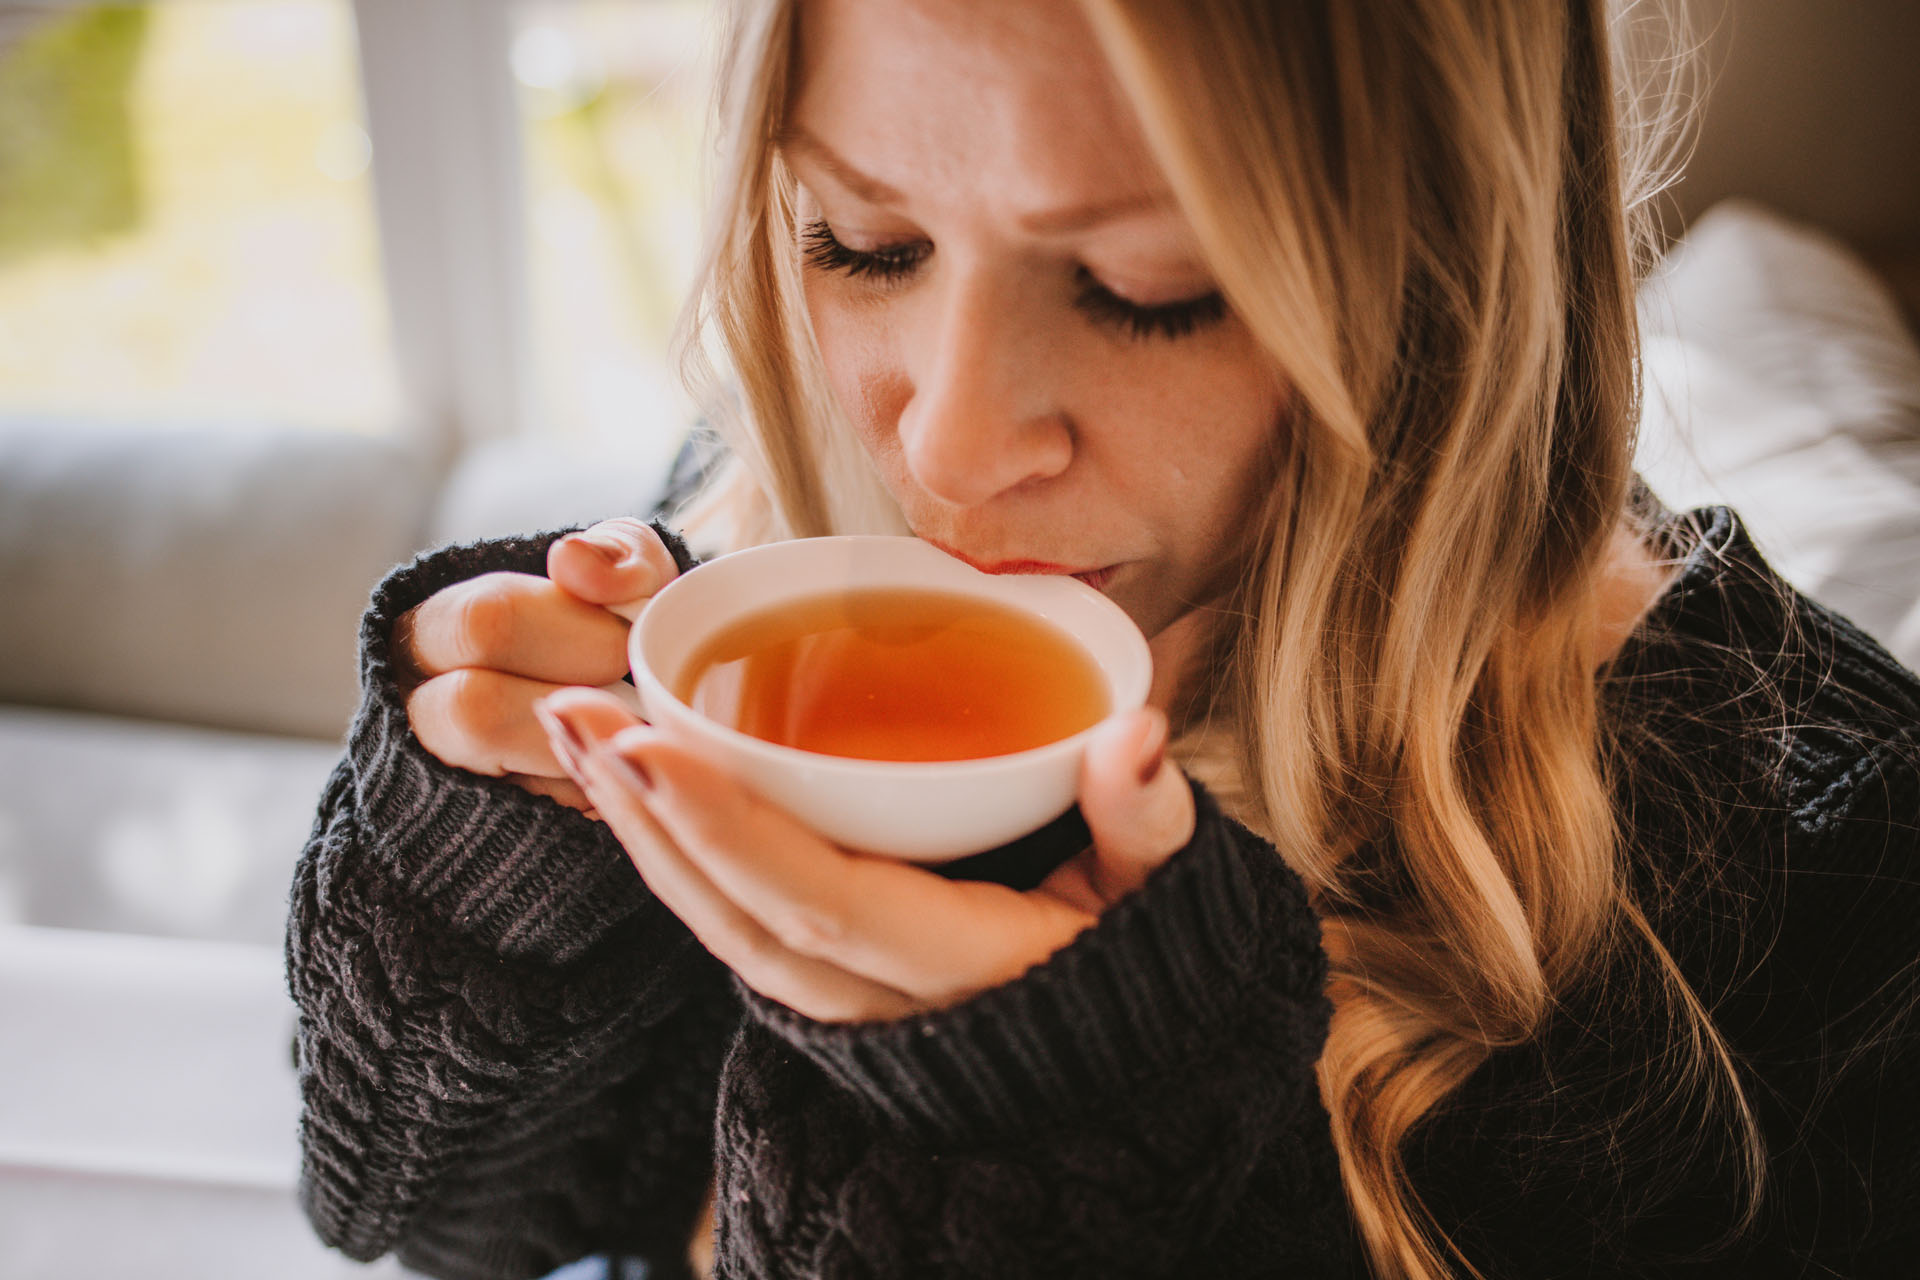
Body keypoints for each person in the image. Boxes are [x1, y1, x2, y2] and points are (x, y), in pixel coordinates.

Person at [287, 0, 1920, 1276]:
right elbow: (438, 1232)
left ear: (1449, 277)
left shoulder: (1825, 879)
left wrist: (1057, 1148)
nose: (945, 446)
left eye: (1150, 289)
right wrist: (479, 878)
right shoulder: (773, 528)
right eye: (866, 242)